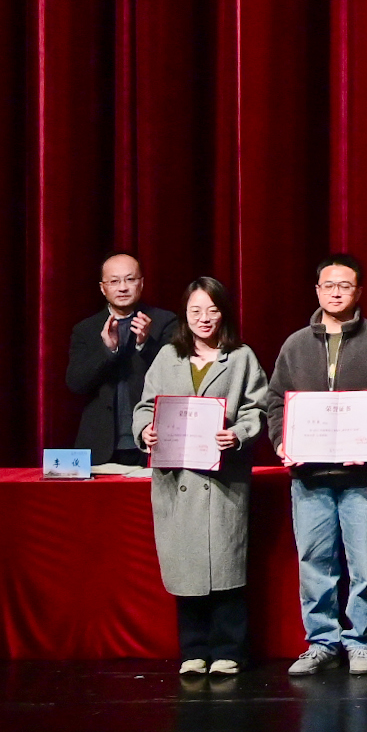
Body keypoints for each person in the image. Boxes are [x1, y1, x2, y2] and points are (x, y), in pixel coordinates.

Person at [272, 253, 367, 675]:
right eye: (328, 285)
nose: (335, 293)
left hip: (363, 475)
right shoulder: (295, 344)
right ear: (317, 291)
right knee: (315, 562)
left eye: (344, 286)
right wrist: (281, 441)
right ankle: (321, 642)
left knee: (365, 562)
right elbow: (276, 400)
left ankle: (361, 642)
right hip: (309, 475)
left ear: (358, 292)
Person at [134, 277, 267, 676]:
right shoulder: (167, 357)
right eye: (195, 311)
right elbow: (145, 406)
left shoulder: (240, 357)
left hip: (222, 482)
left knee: (225, 568)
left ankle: (229, 650)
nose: (204, 318)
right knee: (186, 569)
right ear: (184, 315)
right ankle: (193, 650)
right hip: (177, 480)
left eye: (211, 310)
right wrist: (145, 431)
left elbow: (257, 408)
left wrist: (238, 433)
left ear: (223, 313)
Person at [66, 252, 176, 465]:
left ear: (141, 283)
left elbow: (175, 378)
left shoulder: (164, 322)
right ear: (103, 288)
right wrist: (107, 351)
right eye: (114, 281)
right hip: (100, 445)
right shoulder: (86, 329)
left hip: (151, 441)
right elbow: (76, 383)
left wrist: (145, 344)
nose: (123, 287)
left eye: (130, 279)